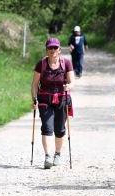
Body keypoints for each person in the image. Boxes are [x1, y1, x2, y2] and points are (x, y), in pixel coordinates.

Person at [31, 38, 75, 169]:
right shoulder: (41, 64)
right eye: (50, 48)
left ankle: (58, 154)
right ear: (46, 50)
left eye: (55, 48)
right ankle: (47, 156)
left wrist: (69, 87)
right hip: (45, 99)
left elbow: (72, 82)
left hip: (62, 98)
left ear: (60, 50)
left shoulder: (66, 63)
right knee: (47, 127)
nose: (53, 50)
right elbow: (34, 84)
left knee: (60, 128)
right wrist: (34, 99)